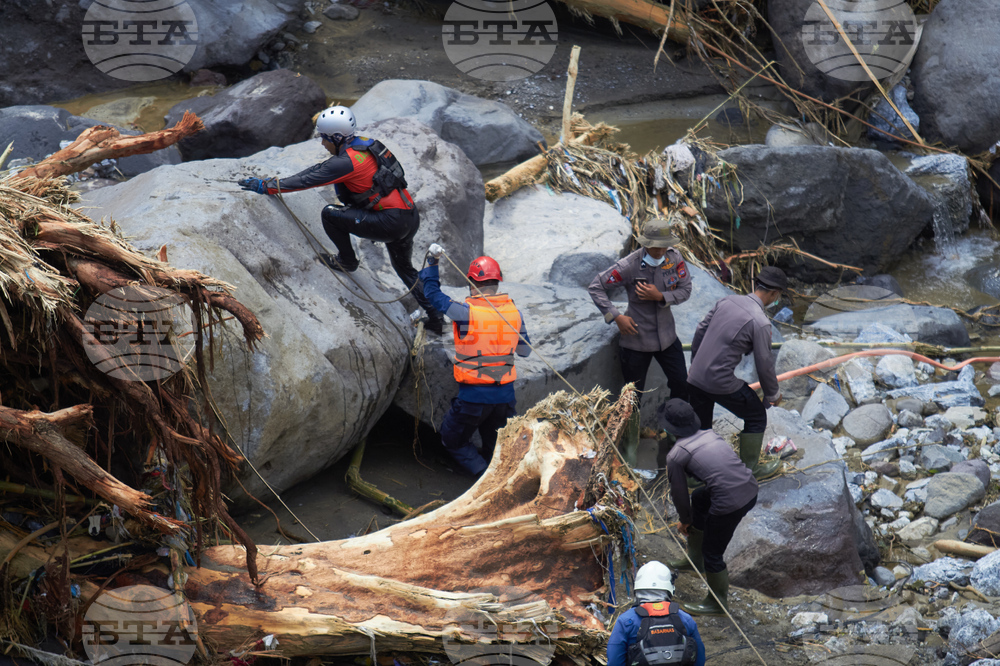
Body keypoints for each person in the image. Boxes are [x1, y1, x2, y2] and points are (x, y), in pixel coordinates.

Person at [236, 105, 444, 334]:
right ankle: (436, 318)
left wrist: (267, 187)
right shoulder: (364, 144)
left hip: (390, 222)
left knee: (330, 214)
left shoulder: (346, 162)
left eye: (324, 138)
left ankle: (347, 261)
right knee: (405, 270)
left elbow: (308, 180)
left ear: (336, 137)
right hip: (408, 216)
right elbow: (318, 169)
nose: (322, 143)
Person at [588, 218, 693, 466]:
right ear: (645, 244)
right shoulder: (629, 266)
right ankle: (629, 450)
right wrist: (616, 316)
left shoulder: (674, 259)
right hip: (635, 339)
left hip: (667, 338)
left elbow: (685, 289)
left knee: (681, 383)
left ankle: (675, 441)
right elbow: (596, 287)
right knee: (632, 396)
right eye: (655, 247)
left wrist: (662, 296)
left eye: (663, 246)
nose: (660, 251)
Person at [418, 245, 531, 476]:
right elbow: (525, 352)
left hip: (473, 398)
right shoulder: (514, 313)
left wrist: (432, 261)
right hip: (505, 398)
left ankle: (483, 478)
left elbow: (432, 295)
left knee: (453, 439)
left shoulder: (466, 312)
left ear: (472, 283)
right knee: (496, 445)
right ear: (497, 283)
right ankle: (499, 477)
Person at [658, 398, 758, 616]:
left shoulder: (676, 455)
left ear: (668, 428)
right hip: (750, 489)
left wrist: (685, 519)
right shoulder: (709, 433)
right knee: (701, 497)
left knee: (713, 553)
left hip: (729, 503)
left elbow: (679, 494)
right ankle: (695, 560)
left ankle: (717, 603)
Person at [686, 266, 787, 480]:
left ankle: (693, 478)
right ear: (774, 294)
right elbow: (764, 363)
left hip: (695, 376)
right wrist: (772, 394)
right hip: (720, 382)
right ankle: (750, 471)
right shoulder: (760, 322)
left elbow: (700, 330)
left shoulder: (726, 301)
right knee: (757, 415)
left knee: (701, 427)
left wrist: (697, 363)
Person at [607, 560, 706, 666]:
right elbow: (699, 659)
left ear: (638, 589)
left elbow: (614, 661)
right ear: (669, 588)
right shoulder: (685, 619)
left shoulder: (626, 621)